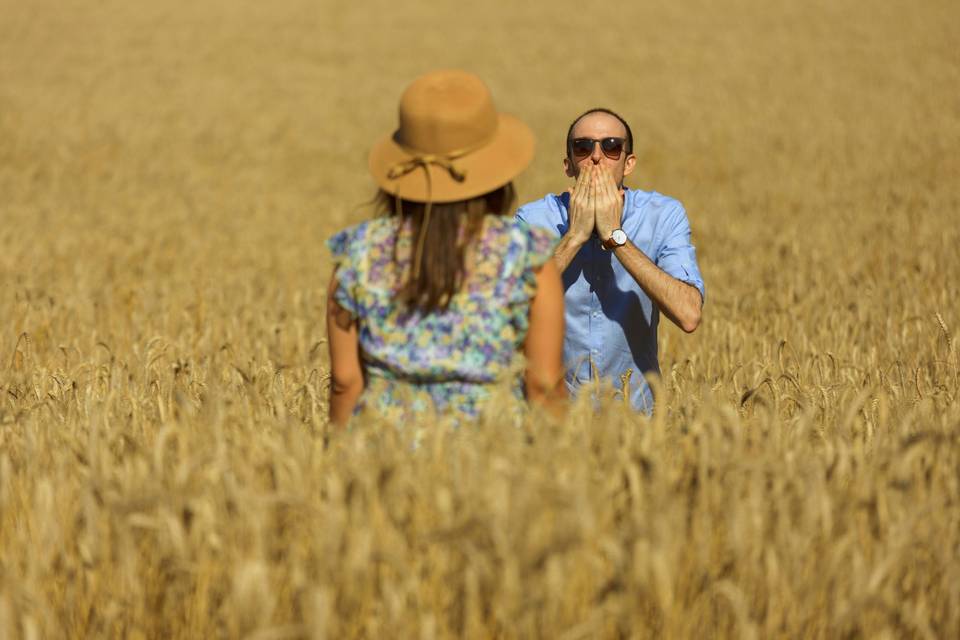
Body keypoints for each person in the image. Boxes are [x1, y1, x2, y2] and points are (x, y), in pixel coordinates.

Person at [326, 70, 566, 427]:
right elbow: (543, 384)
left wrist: (338, 455)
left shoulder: (357, 252)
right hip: (496, 459)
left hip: (382, 457)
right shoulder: (527, 257)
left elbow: (345, 381)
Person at [516, 108, 705, 412]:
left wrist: (616, 237)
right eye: (583, 147)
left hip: (634, 422)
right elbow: (506, 305)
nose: (596, 156)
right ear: (568, 166)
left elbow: (688, 314)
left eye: (611, 146)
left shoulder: (663, 215)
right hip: (550, 420)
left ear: (629, 163)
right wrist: (574, 237)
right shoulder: (534, 219)